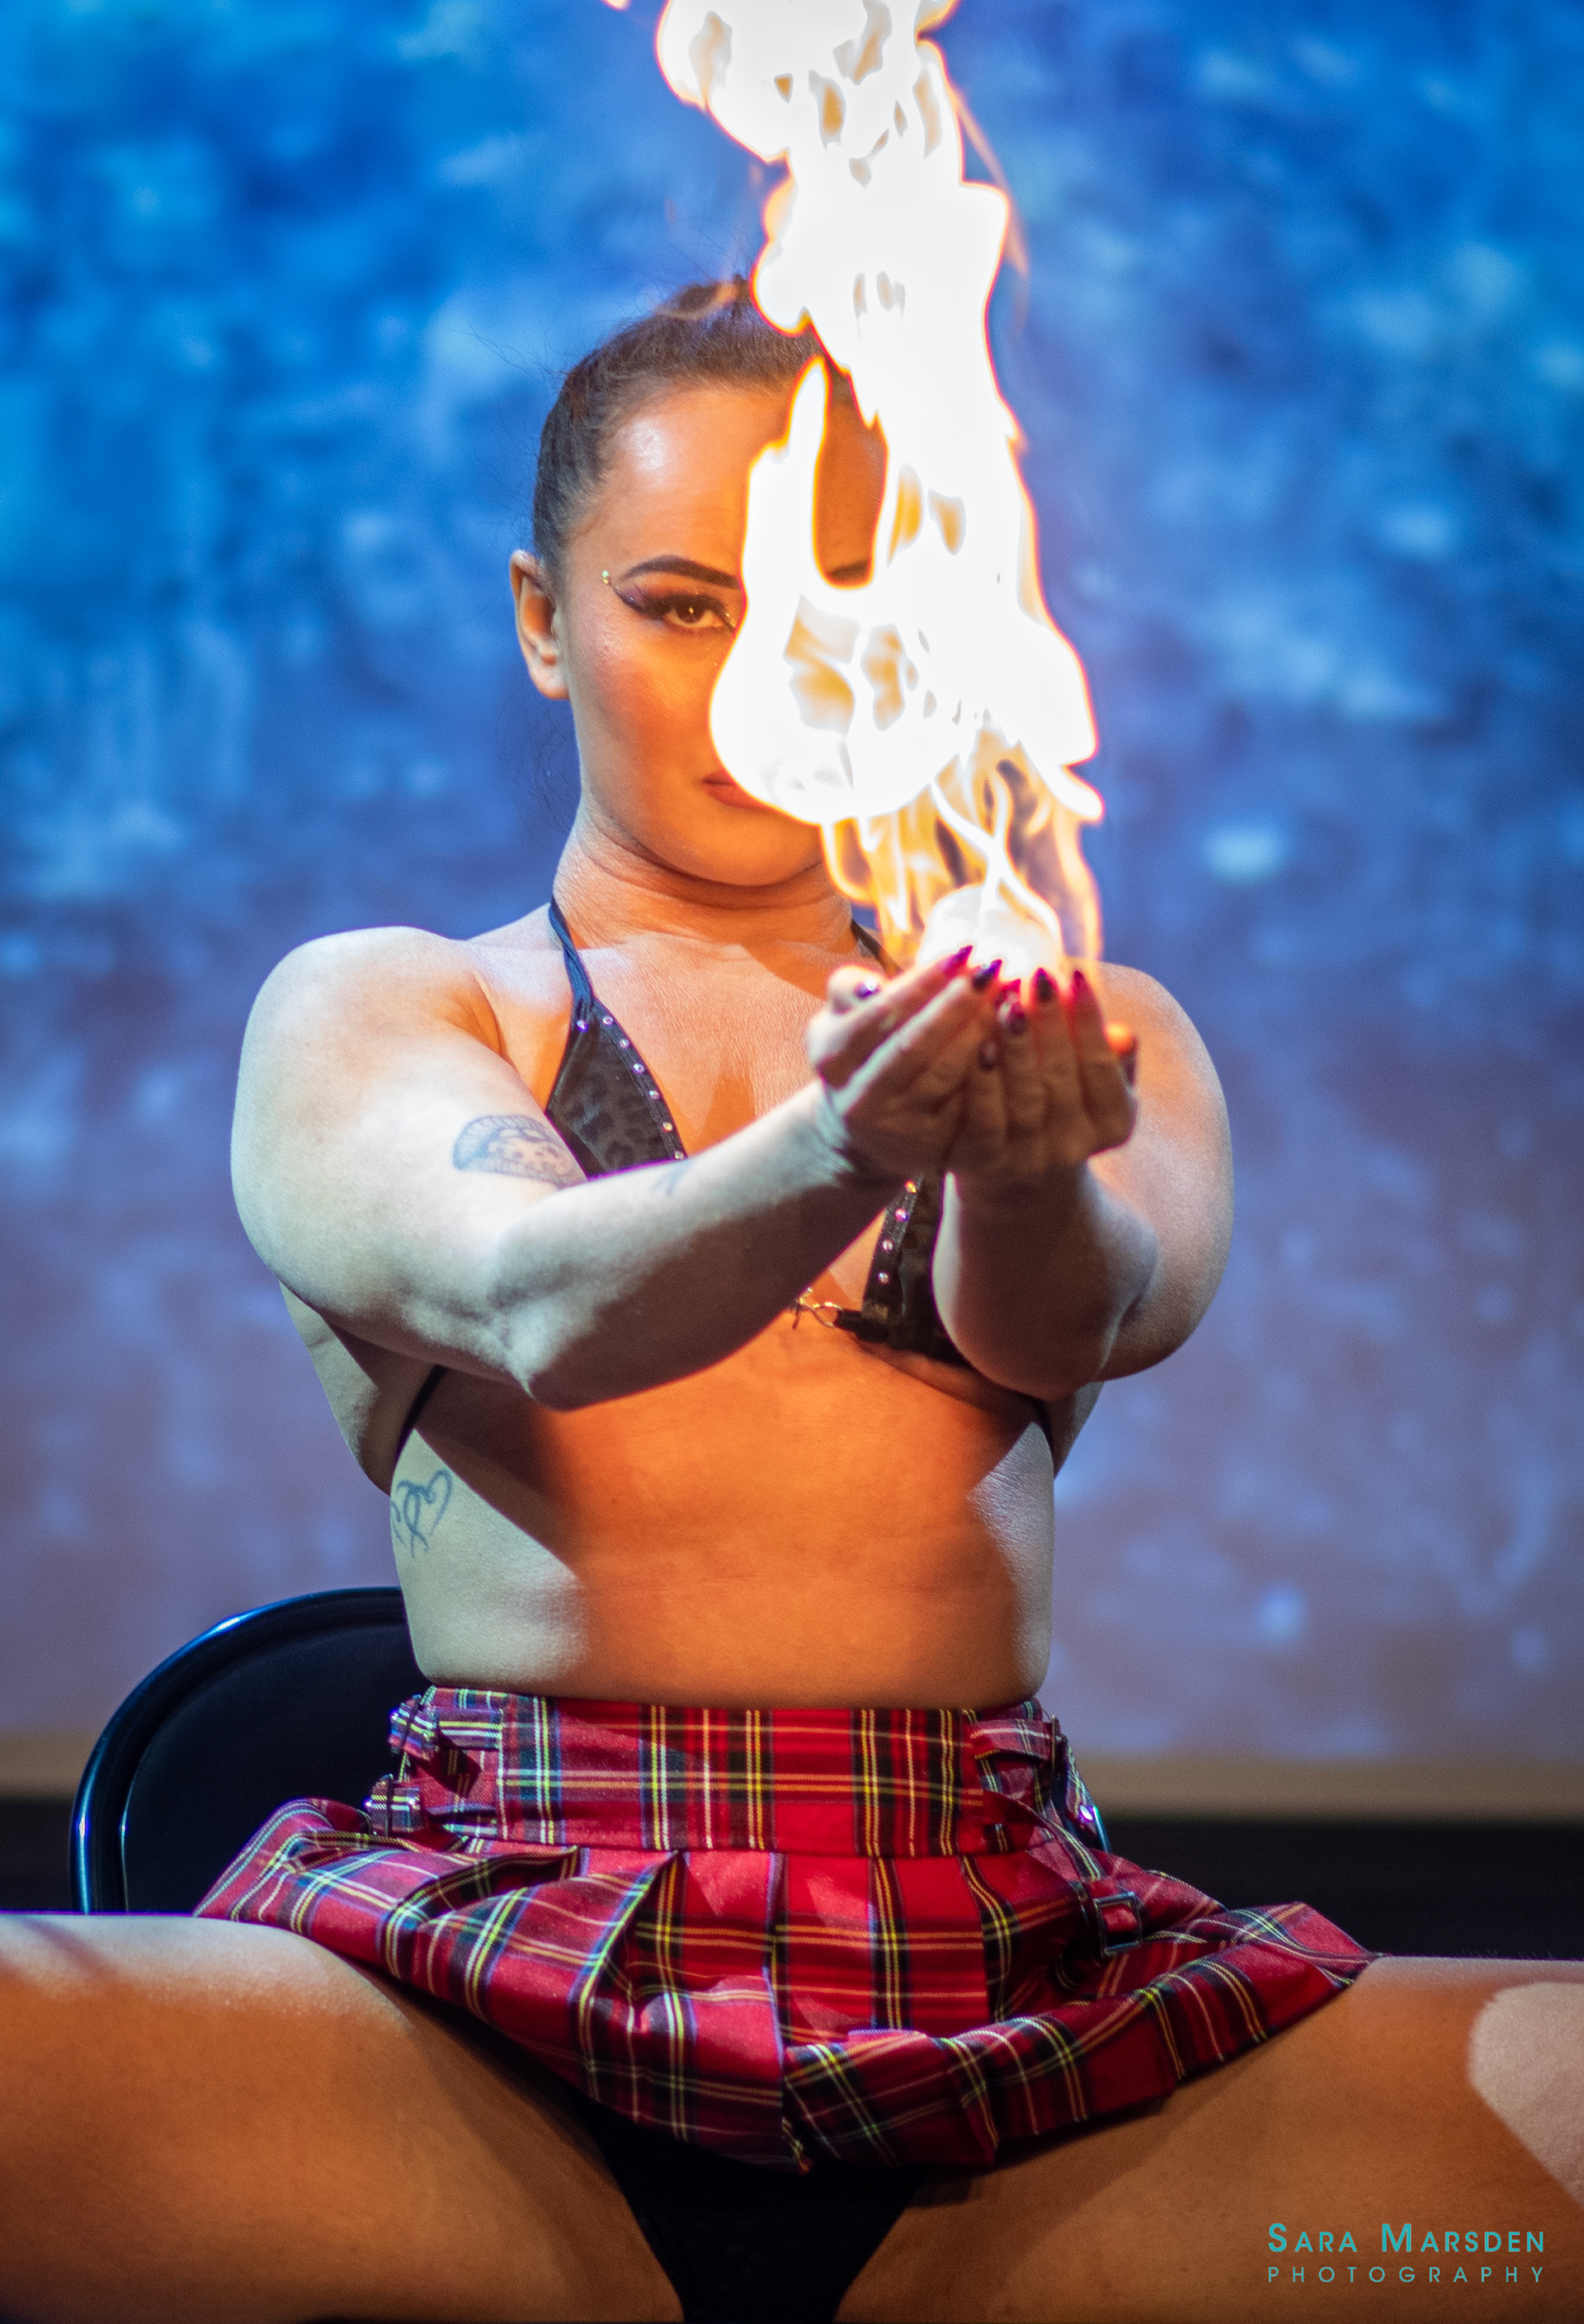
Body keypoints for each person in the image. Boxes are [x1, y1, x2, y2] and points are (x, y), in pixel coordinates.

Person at [1, 280, 1577, 2324]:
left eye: (841, 604)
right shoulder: (398, 1005)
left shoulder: (1099, 1032)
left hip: (1013, 2013)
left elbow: (1080, 1317)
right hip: (468, 2032)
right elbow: (538, 1301)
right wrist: (843, 1141)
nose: (766, 678)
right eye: (681, 606)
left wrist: (1012, 1152)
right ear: (541, 620)